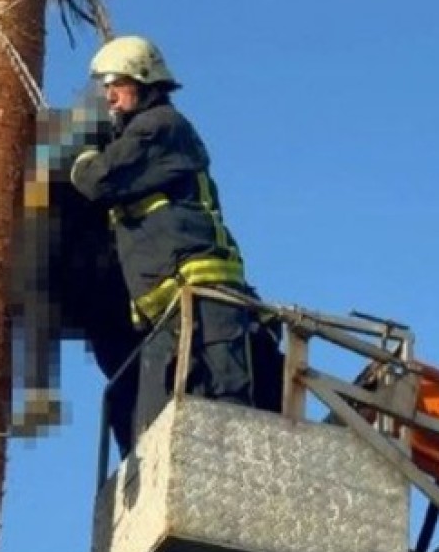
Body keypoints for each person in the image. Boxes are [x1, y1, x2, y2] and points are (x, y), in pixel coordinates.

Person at [68, 35, 280, 444]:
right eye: (104, 88)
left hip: (207, 304)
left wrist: (81, 160)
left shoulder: (161, 125)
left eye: (115, 84)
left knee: (225, 417)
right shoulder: (146, 139)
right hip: (174, 313)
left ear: (143, 79)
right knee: (157, 431)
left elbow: (99, 179)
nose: (108, 97)